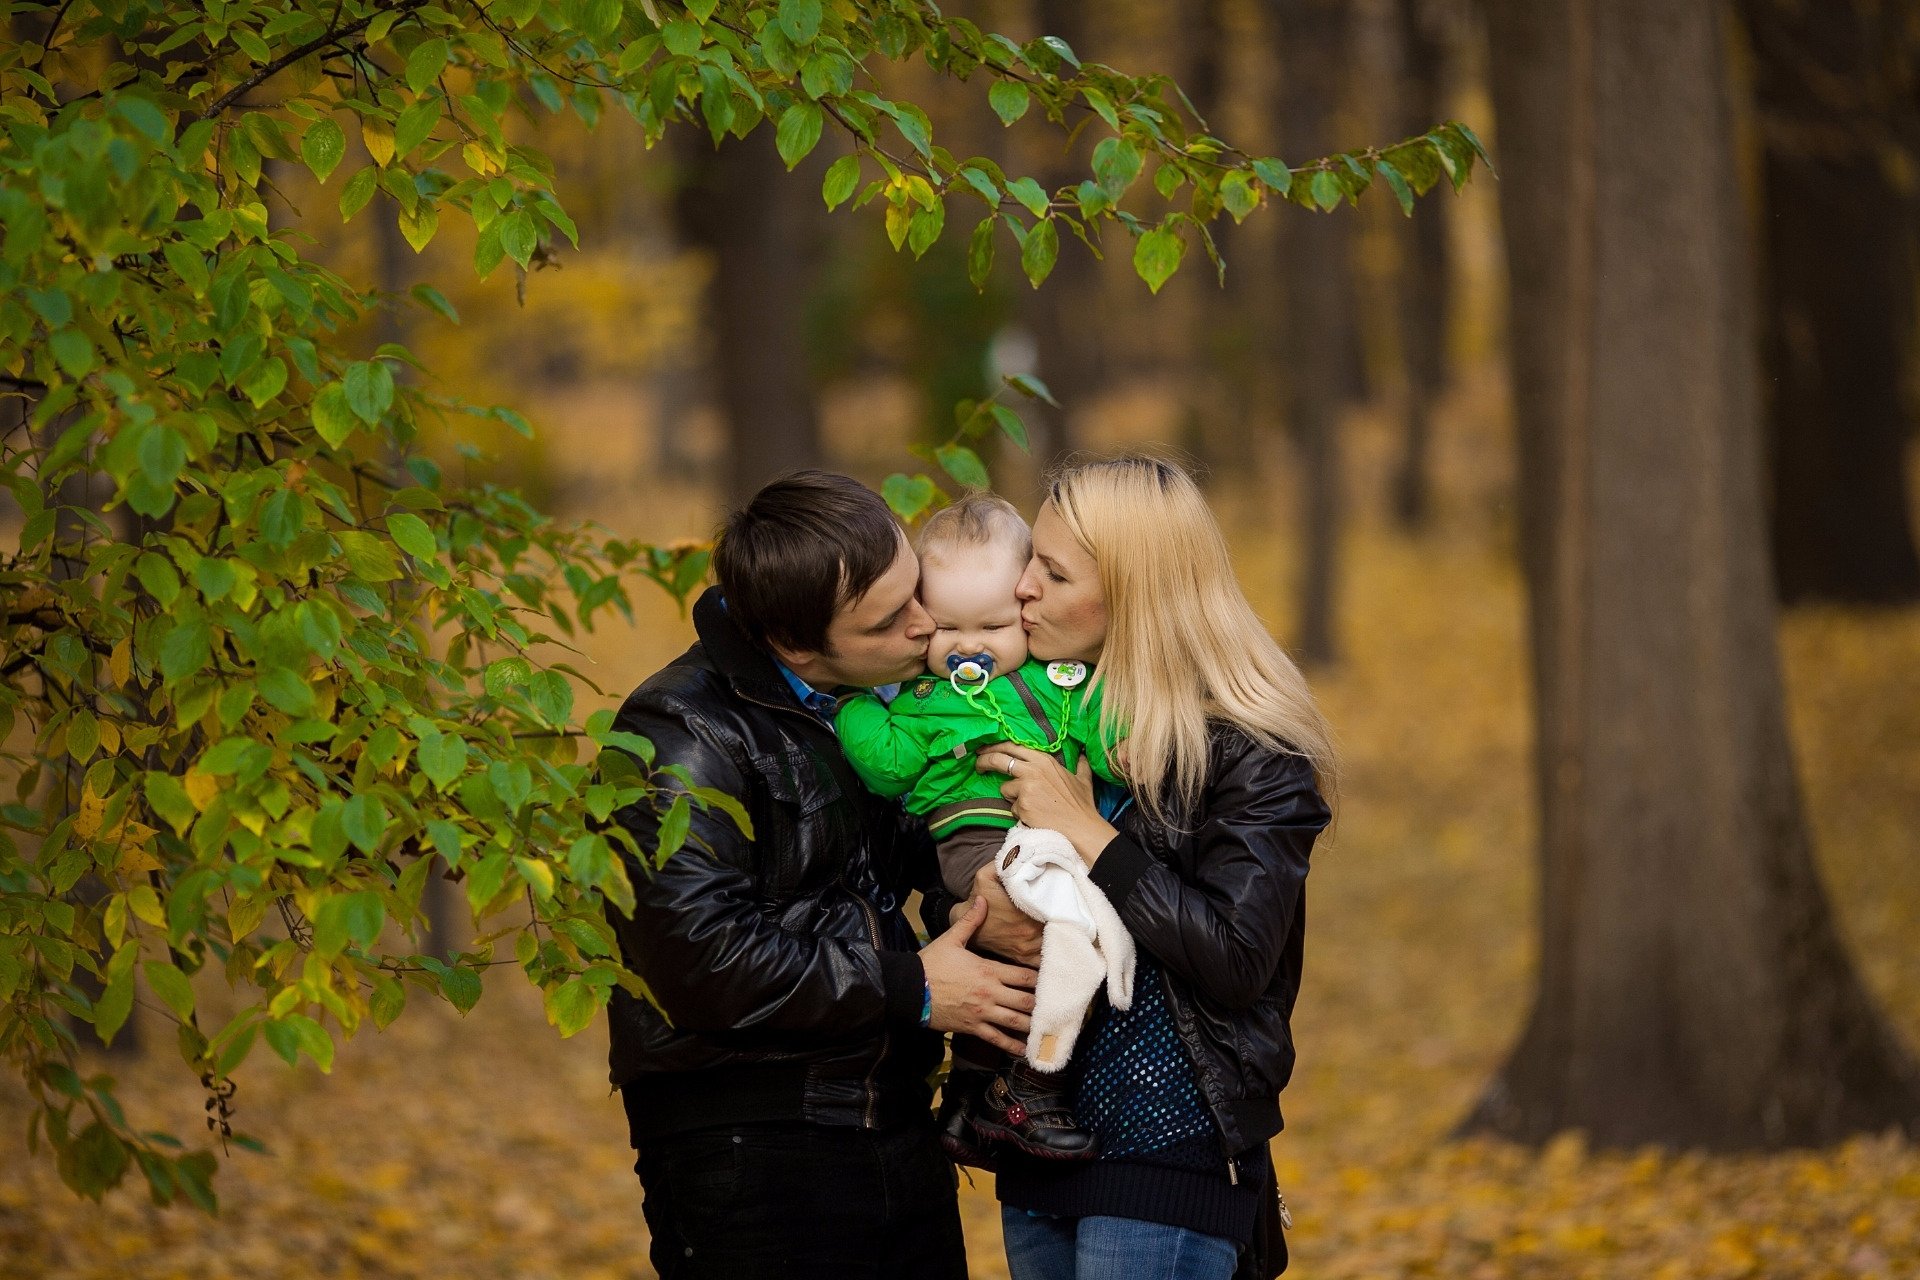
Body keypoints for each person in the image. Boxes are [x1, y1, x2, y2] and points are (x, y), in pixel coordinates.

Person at [600, 471, 1044, 1280]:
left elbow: (907, 855)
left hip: (892, 1120)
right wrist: (912, 988)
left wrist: (975, 905)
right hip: (755, 1148)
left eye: (920, 593)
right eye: (891, 619)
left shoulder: (858, 699)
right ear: (798, 644)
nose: (925, 628)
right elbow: (695, 958)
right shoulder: (680, 731)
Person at [971, 456, 1336, 1280]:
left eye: (1053, 572)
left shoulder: (1251, 756)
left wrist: (1089, 835)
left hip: (1167, 1152)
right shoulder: (1032, 719)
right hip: (1041, 1149)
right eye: (1032, 558)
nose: (1022, 586)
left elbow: (1238, 958)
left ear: (1134, 595)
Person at [835, 493, 1129, 1162]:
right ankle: (1029, 1085)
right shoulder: (917, 701)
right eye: (948, 629)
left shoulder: (1050, 679)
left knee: (1045, 936)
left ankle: (975, 1097)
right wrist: (853, 702)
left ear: (1024, 612)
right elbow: (887, 768)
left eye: (992, 626)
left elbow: (1094, 722)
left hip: (1048, 833)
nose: (969, 647)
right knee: (1061, 928)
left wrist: (1121, 741)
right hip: (973, 837)